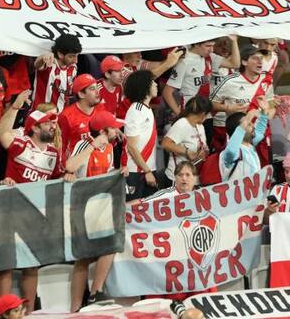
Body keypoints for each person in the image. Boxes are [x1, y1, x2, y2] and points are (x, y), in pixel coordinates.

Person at [0, 90, 60, 303]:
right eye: (48, 123)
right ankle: (3, 313)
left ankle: (29, 312)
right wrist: (15, 107)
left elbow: (57, 179)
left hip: (36, 215)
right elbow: (1, 132)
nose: (53, 126)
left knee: (31, 265)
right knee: (6, 265)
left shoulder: (54, 153)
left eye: (53, 122)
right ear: (35, 127)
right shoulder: (21, 144)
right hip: (10, 212)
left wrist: (68, 175)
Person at [64, 110, 122, 308]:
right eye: (113, 128)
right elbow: (70, 166)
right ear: (103, 131)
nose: (117, 131)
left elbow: (107, 174)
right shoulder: (84, 144)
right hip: (81, 207)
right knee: (83, 257)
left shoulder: (110, 147)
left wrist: (119, 172)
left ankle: (96, 293)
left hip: (100, 207)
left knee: (110, 245)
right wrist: (92, 146)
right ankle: (75, 307)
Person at [123, 69, 162, 198]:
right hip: (136, 172)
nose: (156, 84)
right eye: (152, 82)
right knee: (133, 207)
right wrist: (147, 171)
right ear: (144, 86)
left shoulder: (146, 109)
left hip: (147, 169)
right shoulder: (136, 110)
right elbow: (131, 146)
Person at [221, 98, 275, 182]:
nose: (253, 125)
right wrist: (245, 121)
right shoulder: (233, 151)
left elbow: (259, 131)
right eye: (249, 124)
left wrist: (264, 113)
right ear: (238, 130)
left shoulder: (250, 144)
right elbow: (231, 151)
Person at [161, 96, 210, 183]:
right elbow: (165, 144)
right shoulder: (182, 124)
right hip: (177, 178)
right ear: (203, 114)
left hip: (192, 177)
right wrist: (187, 152)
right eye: (207, 114)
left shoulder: (200, 126)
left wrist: (203, 152)